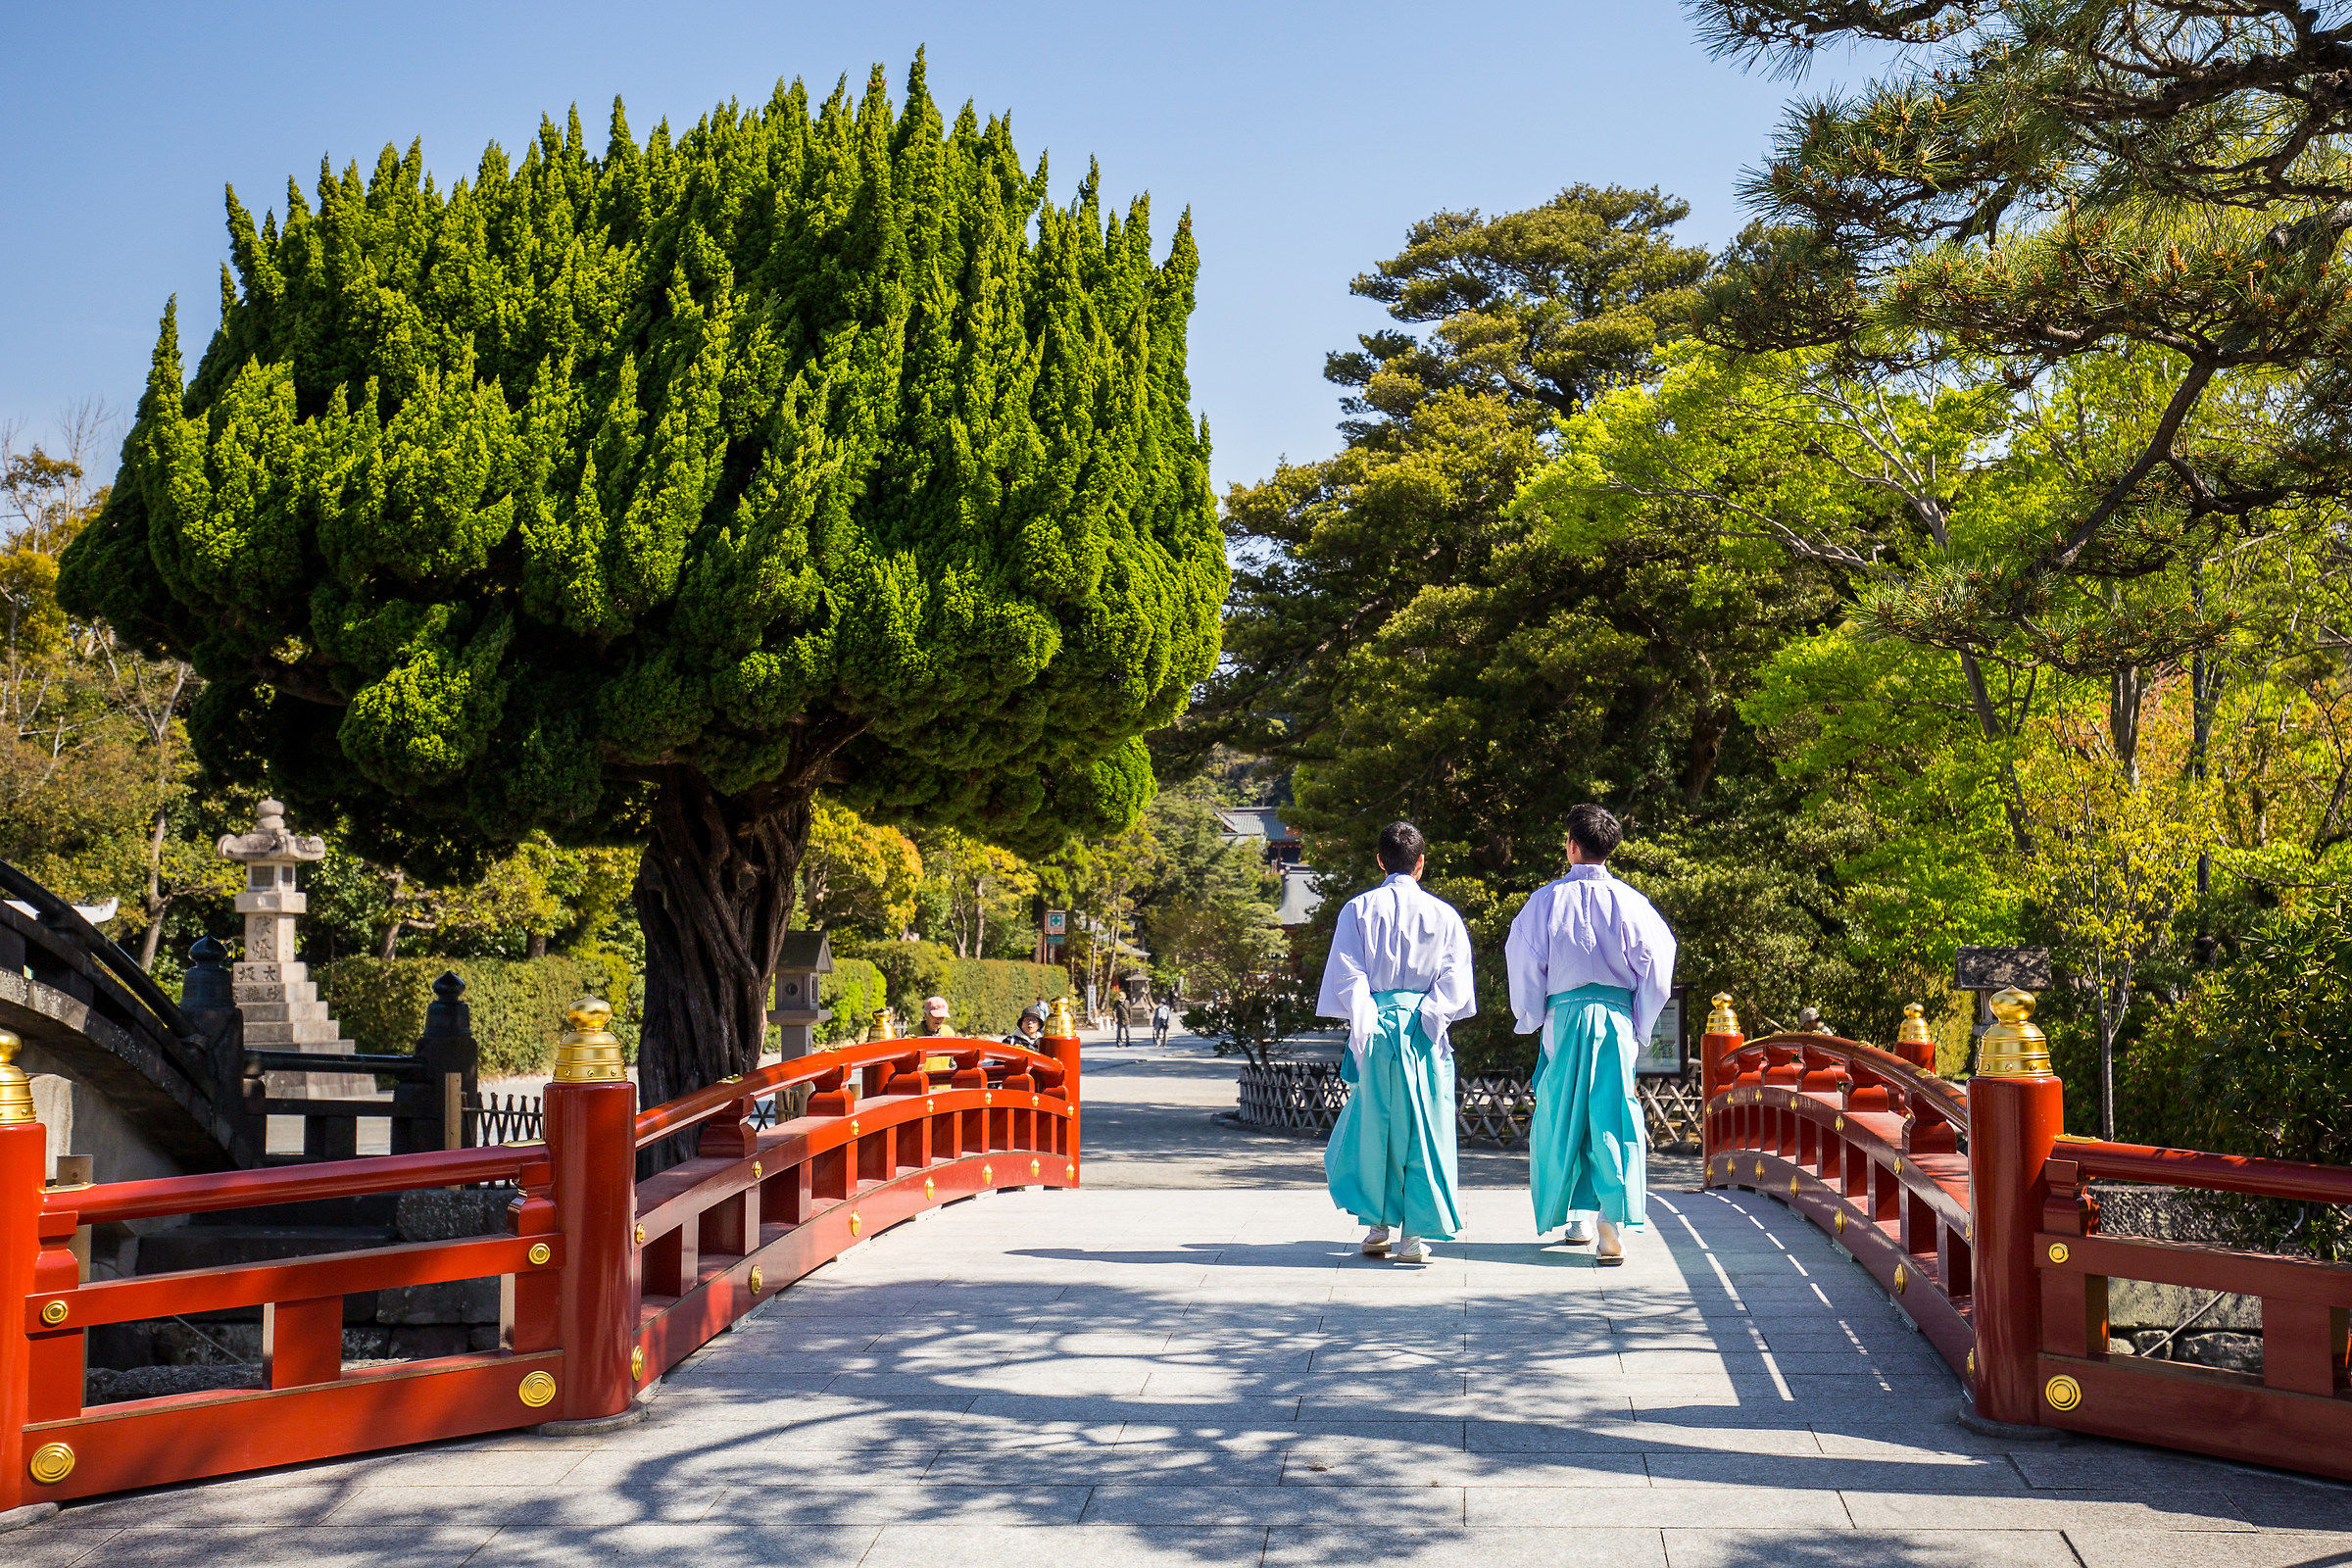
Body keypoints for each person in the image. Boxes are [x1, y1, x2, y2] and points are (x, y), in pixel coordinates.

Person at [1504, 804, 1678, 1266]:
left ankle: (1574, 1215)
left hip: (1563, 1016)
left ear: (1572, 846)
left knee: (1563, 1114)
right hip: (1616, 1017)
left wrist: (1532, 1015)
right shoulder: (1632, 902)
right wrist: (1639, 1020)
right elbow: (1658, 969)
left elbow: (1523, 962)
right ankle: (1609, 1220)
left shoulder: (1543, 901)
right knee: (1613, 1113)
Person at [1316, 820, 1477, 1264]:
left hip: (1378, 1027)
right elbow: (1455, 980)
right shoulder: (1444, 914)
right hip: (1422, 1032)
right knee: (1424, 1130)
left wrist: (1367, 1025)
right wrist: (1428, 1019)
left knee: (1375, 1129)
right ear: (1421, 864)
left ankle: (1377, 1227)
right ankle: (1414, 1237)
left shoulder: (1358, 909)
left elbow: (1349, 976)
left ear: (1380, 860)